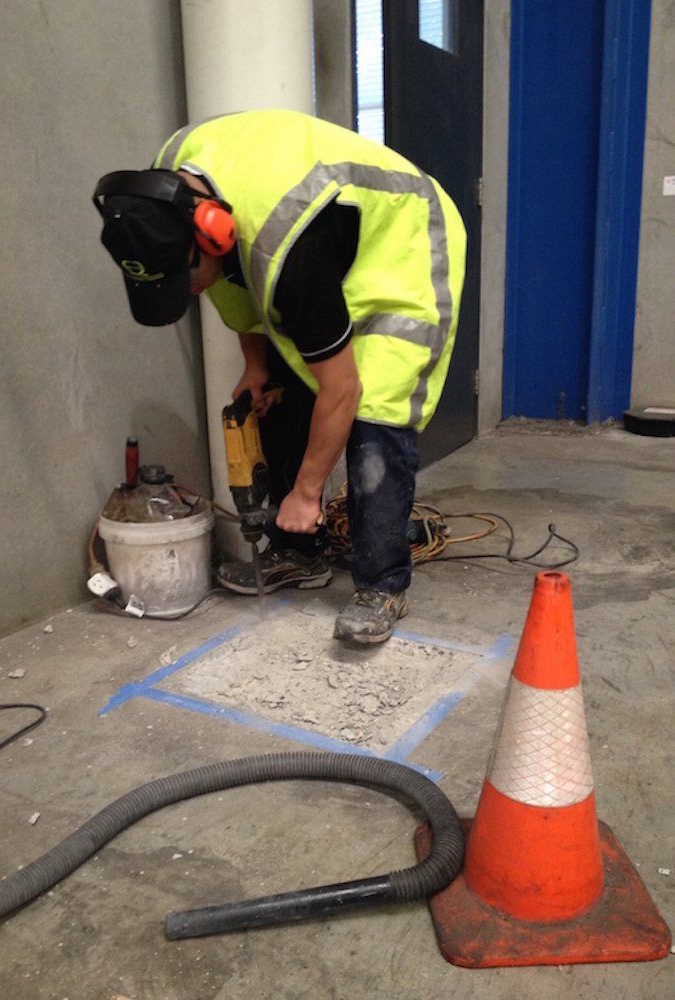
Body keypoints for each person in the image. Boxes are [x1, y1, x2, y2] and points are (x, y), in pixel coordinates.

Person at [94, 109, 466, 644]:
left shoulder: (290, 250)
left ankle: (382, 585)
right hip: (320, 237)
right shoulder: (164, 193)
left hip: (403, 241)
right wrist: (257, 365)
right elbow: (234, 285)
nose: (189, 293)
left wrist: (308, 493)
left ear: (213, 235)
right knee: (277, 392)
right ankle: (300, 552)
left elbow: (342, 389)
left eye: (183, 280)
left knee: (374, 416)